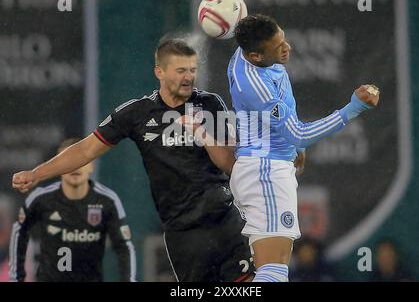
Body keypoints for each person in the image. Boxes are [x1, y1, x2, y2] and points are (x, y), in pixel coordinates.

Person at [12, 39, 254, 282]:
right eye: (180, 70)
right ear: (159, 71)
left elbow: (229, 164)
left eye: (192, 69)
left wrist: (203, 132)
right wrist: (37, 174)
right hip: (183, 232)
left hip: (225, 221)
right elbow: (86, 150)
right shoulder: (137, 113)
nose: (188, 77)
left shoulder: (210, 104)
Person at [227, 14, 380, 282]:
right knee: (274, 273)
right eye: (278, 47)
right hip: (266, 175)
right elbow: (298, 134)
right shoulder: (257, 87)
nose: (287, 48)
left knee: (264, 272)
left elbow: (288, 132)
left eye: (283, 39)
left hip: (261, 169)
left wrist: (291, 144)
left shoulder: (247, 51)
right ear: (255, 56)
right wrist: (353, 108)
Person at [9, 138, 136, 282]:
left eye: (81, 161)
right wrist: (16, 278)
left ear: (91, 166)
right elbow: (19, 233)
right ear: (58, 168)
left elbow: (123, 246)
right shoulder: (41, 199)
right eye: (68, 163)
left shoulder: (107, 200)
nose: (75, 167)